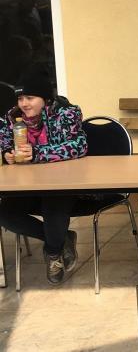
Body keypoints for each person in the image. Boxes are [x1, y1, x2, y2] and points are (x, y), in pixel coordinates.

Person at [0, 66, 86, 286]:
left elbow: (79, 145)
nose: (24, 104)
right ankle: (62, 238)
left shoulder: (66, 113)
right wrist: (6, 153)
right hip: (27, 186)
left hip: (62, 184)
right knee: (4, 213)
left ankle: (53, 253)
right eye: (20, 98)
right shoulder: (12, 118)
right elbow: (3, 142)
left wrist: (38, 153)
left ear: (45, 99)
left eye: (30, 98)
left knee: (53, 204)